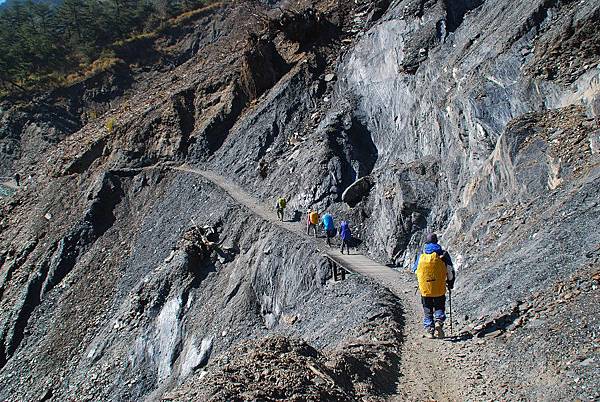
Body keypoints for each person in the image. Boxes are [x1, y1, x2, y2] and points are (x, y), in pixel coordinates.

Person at [412, 233, 455, 339]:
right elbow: (450, 270)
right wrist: (450, 283)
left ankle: (429, 331)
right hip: (439, 287)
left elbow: (415, 270)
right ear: (437, 242)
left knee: (427, 309)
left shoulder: (422, 255)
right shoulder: (443, 254)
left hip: (425, 288)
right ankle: (439, 322)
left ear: (426, 243)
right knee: (439, 306)